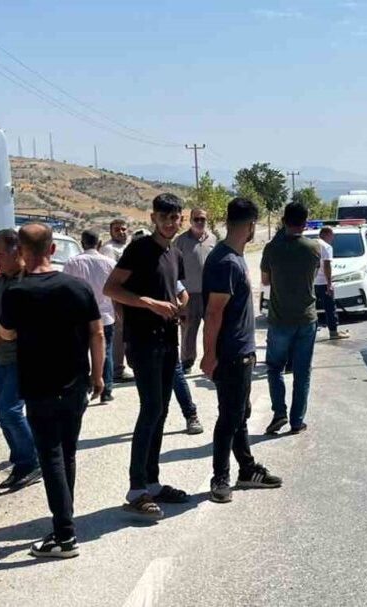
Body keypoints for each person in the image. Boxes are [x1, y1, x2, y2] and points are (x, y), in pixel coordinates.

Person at [0, 223, 104, 558]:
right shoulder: (77, 287)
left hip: (39, 387)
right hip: (76, 384)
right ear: (53, 249)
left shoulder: (16, 292)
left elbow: (7, 334)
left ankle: (64, 535)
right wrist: (99, 376)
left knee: (52, 457)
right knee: (67, 453)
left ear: (21, 252)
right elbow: (97, 333)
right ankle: (64, 519)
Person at [104, 193, 190, 519]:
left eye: (175, 217)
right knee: (151, 408)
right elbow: (111, 288)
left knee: (163, 409)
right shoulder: (139, 249)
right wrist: (149, 303)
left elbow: (176, 285)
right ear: (153, 218)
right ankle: (136, 487)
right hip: (143, 341)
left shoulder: (175, 252)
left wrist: (181, 300)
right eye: (165, 217)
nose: (171, 222)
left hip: (169, 339)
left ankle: (152, 483)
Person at [202, 197, 282, 503]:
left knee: (240, 414)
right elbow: (213, 313)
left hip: (240, 350)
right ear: (250, 226)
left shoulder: (231, 256)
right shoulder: (225, 261)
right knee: (230, 417)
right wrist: (210, 355)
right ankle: (220, 477)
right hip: (232, 353)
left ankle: (247, 469)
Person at [0, 229, 41, 489]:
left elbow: (33, 325)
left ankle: (32, 461)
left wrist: (3, 337)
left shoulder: (29, 282)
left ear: (17, 252)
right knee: (2, 412)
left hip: (21, 358)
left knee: (10, 410)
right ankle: (21, 462)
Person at [261, 202, 320, 436]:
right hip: (306, 318)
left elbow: (265, 281)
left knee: (275, 367)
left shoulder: (271, 249)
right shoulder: (313, 248)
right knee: (302, 372)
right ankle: (297, 420)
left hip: (279, 318)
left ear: (284, 221)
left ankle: (279, 412)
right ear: (305, 223)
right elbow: (313, 276)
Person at [62, 230, 118, 402]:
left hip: (80, 316)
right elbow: (116, 289)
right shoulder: (110, 262)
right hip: (105, 315)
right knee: (105, 351)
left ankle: (84, 386)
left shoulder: (73, 262)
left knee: (81, 352)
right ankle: (106, 389)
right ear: (99, 244)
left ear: (82, 242)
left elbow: (66, 288)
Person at [174, 208, 216, 373]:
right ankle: (187, 361)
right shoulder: (181, 241)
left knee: (213, 328)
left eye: (202, 219)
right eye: (196, 219)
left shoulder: (213, 239)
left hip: (209, 293)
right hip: (188, 294)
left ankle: (212, 359)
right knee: (188, 330)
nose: (200, 222)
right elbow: (173, 268)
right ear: (190, 220)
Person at [100, 219, 131, 383]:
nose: (121, 232)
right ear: (111, 232)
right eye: (117, 229)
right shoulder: (109, 249)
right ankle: (117, 369)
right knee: (118, 333)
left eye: (123, 229)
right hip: (117, 296)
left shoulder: (128, 247)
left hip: (130, 295)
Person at [171, 280, 204, 435]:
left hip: (166, 335)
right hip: (142, 339)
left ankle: (191, 415)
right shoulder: (133, 267)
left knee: (177, 377)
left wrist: (178, 308)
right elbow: (113, 291)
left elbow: (183, 294)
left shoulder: (167, 264)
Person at [314, 227, 349, 340]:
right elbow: (327, 265)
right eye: (332, 235)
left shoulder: (313, 244)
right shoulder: (326, 247)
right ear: (326, 234)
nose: (333, 238)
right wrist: (329, 283)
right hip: (323, 282)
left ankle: (310, 333)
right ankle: (333, 332)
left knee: (311, 308)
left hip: (310, 282)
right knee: (330, 307)